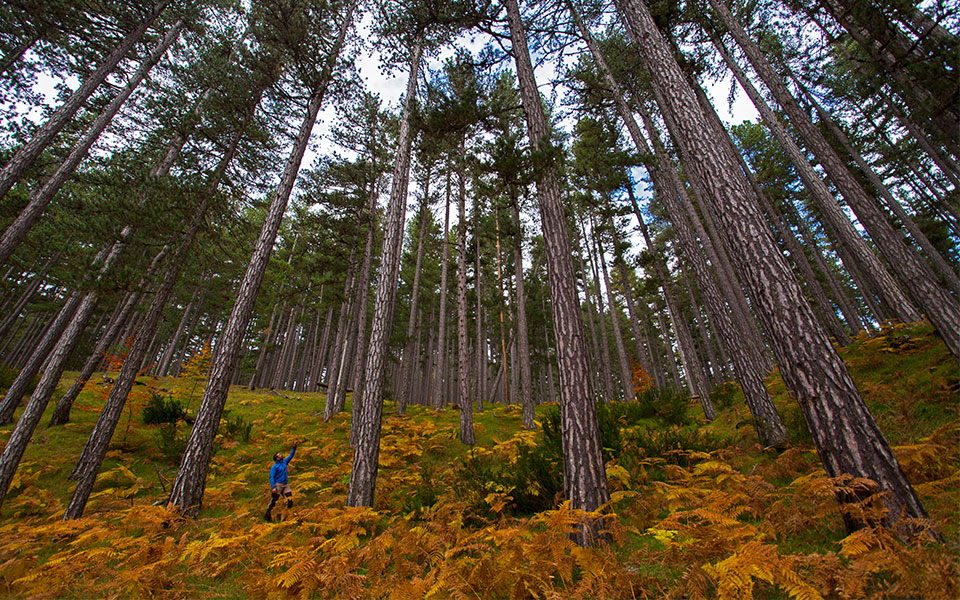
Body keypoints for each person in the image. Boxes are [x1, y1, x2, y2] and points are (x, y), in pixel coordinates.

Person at [265, 441, 297, 522]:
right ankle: (268, 516)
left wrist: (294, 446)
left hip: (285, 484)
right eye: (279, 455)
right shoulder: (274, 467)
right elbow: (271, 477)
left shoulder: (284, 462)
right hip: (278, 485)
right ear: (277, 458)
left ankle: (287, 516)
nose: (281, 455)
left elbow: (291, 455)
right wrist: (273, 487)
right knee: (274, 501)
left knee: (289, 500)